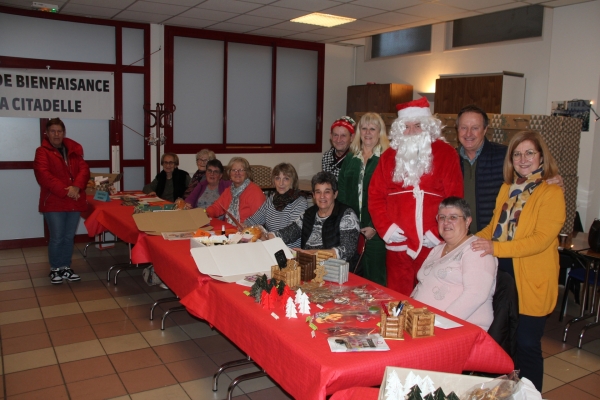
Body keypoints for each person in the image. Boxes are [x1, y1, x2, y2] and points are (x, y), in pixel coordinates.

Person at [472, 130, 565, 391]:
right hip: (505, 275)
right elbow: (493, 228)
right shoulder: (507, 188)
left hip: (532, 279)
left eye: (529, 153)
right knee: (506, 342)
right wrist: (464, 243)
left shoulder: (551, 192)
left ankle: (531, 395)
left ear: (541, 157)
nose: (523, 159)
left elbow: (540, 240)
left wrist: (495, 248)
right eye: (517, 154)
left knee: (527, 345)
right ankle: (510, 393)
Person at [368, 97, 463, 296]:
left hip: (433, 243)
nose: (411, 132)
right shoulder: (388, 157)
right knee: (397, 297)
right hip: (398, 244)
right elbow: (375, 196)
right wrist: (386, 228)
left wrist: (438, 232)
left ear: (428, 126)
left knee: (431, 296)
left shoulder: (446, 154)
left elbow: (455, 200)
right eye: (406, 126)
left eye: (417, 125)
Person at [457, 104, 563, 232]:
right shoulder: (449, 159)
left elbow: (532, 175)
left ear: (485, 130)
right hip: (460, 238)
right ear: (457, 129)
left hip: (497, 239)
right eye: (463, 127)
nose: (468, 133)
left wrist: (551, 178)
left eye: (475, 128)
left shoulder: (506, 155)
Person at [411, 197, 497, 331]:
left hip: (458, 328)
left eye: (453, 217)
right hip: (423, 323)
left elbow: (476, 295)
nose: (446, 222)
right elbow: (423, 283)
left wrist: (439, 323)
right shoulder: (437, 249)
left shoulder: (476, 249)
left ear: (468, 221)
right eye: (442, 217)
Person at [34, 118, 90, 285]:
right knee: (57, 237)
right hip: (54, 201)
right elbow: (43, 175)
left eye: (59, 131)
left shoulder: (73, 149)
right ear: (47, 133)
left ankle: (66, 267)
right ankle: (55, 268)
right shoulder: (42, 152)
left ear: (64, 132)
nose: (56, 134)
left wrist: (77, 187)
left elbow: (84, 170)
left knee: (68, 237)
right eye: (53, 131)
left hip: (74, 200)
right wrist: (68, 191)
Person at [337, 112, 390, 286]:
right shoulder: (351, 158)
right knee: (353, 278)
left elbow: (391, 197)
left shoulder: (387, 159)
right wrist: (350, 224)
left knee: (375, 278)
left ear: (380, 132)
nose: (368, 133)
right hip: (352, 229)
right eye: (364, 128)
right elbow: (342, 194)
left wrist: (375, 226)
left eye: (372, 129)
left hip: (377, 231)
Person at [268, 171, 360, 265]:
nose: (322, 196)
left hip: (337, 270)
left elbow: (347, 250)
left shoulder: (347, 215)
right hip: (308, 266)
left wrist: (314, 254)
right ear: (313, 195)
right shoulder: (309, 214)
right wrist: (267, 236)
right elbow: (289, 233)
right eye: (318, 192)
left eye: (327, 192)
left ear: (335, 194)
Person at [245, 163, 308, 247]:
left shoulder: (300, 202)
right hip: (271, 246)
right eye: (277, 178)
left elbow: (291, 234)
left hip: (290, 250)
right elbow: (254, 220)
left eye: (286, 179)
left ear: (293, 181)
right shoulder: (271, 199)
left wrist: (268, 237)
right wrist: (243, 225)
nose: (281, 183)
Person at [206, 157, 265, 225]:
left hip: (248, 231)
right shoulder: (229, 191)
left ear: (247, 173)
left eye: (241, 170)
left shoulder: (255, 192)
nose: (237, 173)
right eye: (234, 170)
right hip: (229, 230)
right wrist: (206, 213)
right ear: (229, 173)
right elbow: (217, 207)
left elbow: (260, 219)